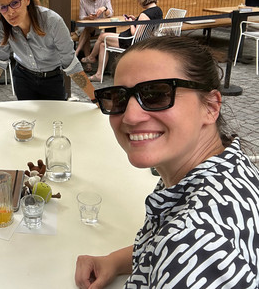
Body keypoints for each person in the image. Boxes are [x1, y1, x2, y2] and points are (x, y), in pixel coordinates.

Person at [75, 36, 259, 288]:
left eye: (156, 94)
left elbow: (188, 243)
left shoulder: (196, 244)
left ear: (211, 107)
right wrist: (115, 261)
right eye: (119, 98)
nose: (130, 116)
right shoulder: (225, 165)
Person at [82, 0, 163, 82]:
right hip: (145, 40)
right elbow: (145, 28)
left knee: (102, 36)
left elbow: (136, 35)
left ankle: (91, 57)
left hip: (131, 41)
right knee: (103, 44)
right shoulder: (158, 11)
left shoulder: (145, 14)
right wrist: (136, 20)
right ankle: (99, 75)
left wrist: (131, 22)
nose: (138, 2)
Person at [75, 0, 114, 65]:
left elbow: (110, 13)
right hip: (85, 26)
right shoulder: (83, 0)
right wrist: (88, 17)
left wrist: (105, 8)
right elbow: (81, 17)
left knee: (87, 30)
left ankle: (77, 53)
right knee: (86, 29)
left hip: (98, 27)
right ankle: (88, 60)